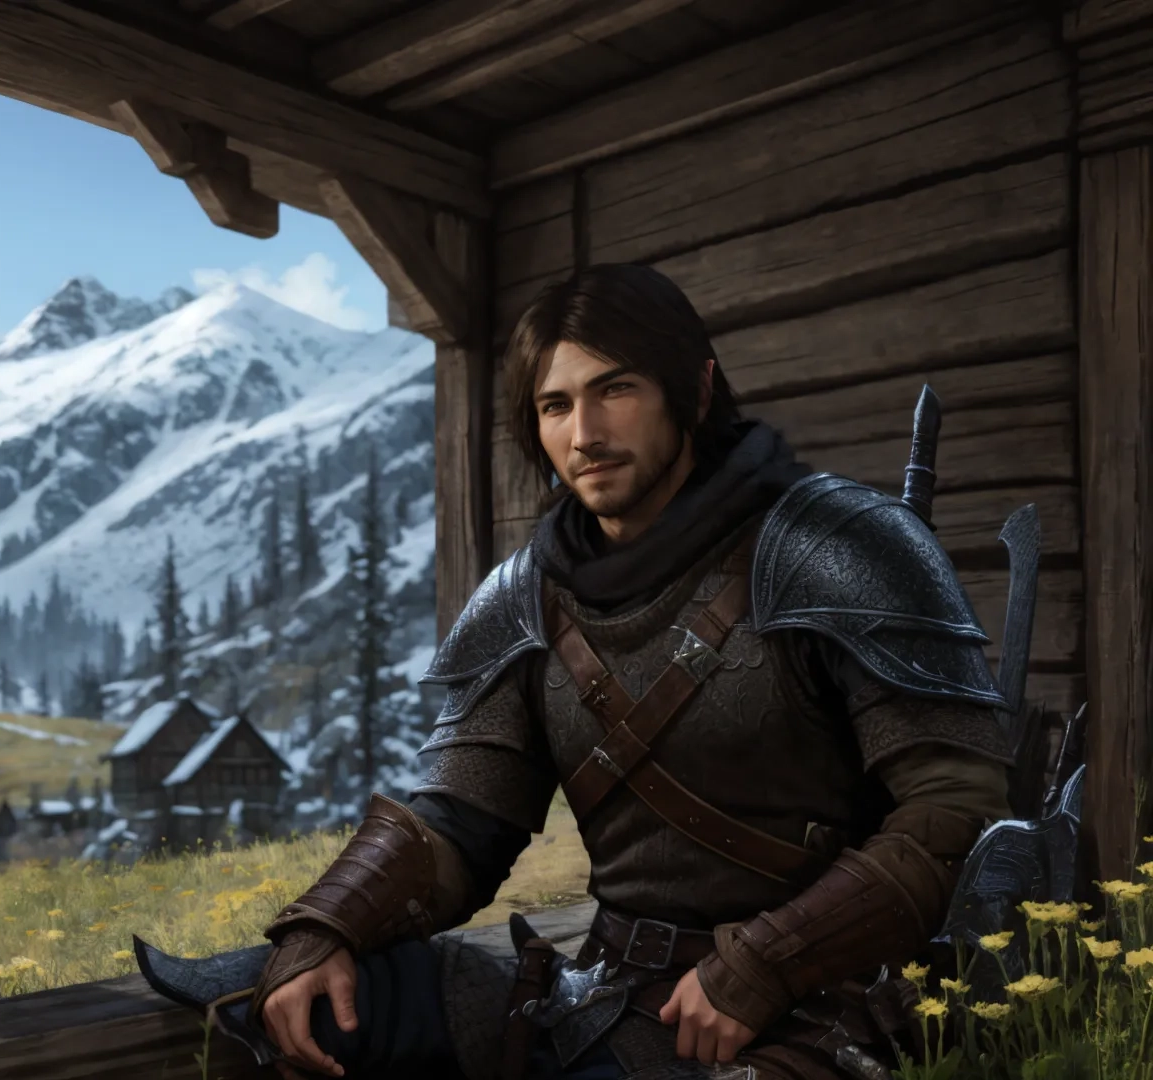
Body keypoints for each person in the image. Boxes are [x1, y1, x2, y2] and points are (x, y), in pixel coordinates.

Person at [250, 264, 1012, 1080]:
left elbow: (955, 817)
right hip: (606, 985)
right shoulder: (528, 596)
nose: (584, 433)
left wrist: (767, 963)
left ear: (696, 387)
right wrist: (327, 925)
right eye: (555, 405)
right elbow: (459, 823)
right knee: (308, 1010)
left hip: (824, 1003)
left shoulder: (835, 551)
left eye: (615, 390)